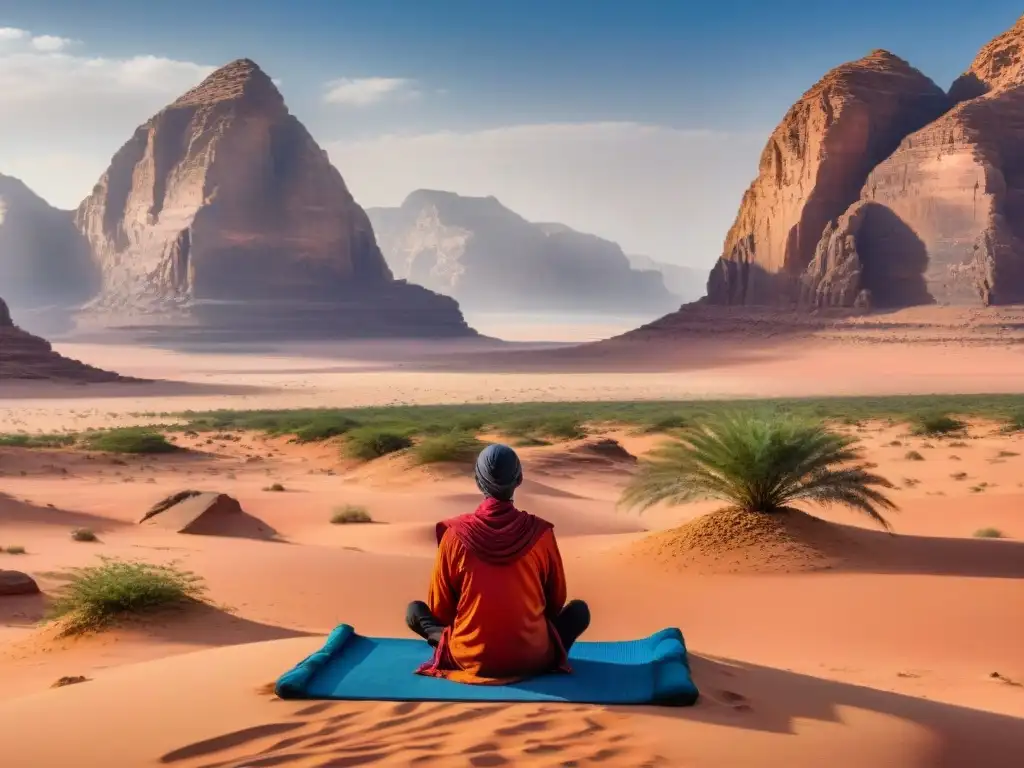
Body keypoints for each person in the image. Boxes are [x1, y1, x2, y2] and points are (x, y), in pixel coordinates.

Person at [406, 443, 590, 684]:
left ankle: (444, 644)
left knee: (415, 611)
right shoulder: (540, 533)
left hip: (470, 658)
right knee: (578, 611)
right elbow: (555, 601)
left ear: (477, 481)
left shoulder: (454, 535)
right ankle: (547, 654)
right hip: (533, 658)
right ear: (520, 478)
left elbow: (441, 608)